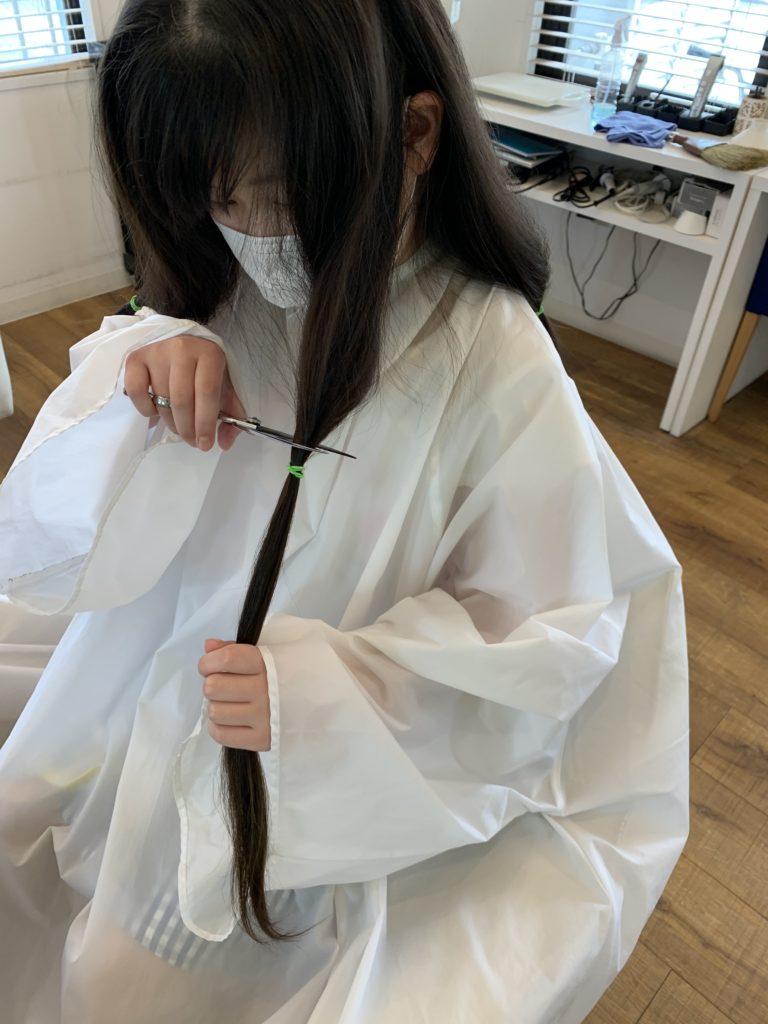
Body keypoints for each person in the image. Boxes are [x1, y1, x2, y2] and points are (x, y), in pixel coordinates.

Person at [0, 1, 689, 1021]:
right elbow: (64, 511)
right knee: (63, 895)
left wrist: (328, 693)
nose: (249, 233)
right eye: (214, 195)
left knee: (145, 980)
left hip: (327, 781)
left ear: (413, 135)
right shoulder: (222, 286)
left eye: (277, 195)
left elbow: (551, 633)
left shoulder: (493, 360)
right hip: (161, 701)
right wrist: (139, 371)